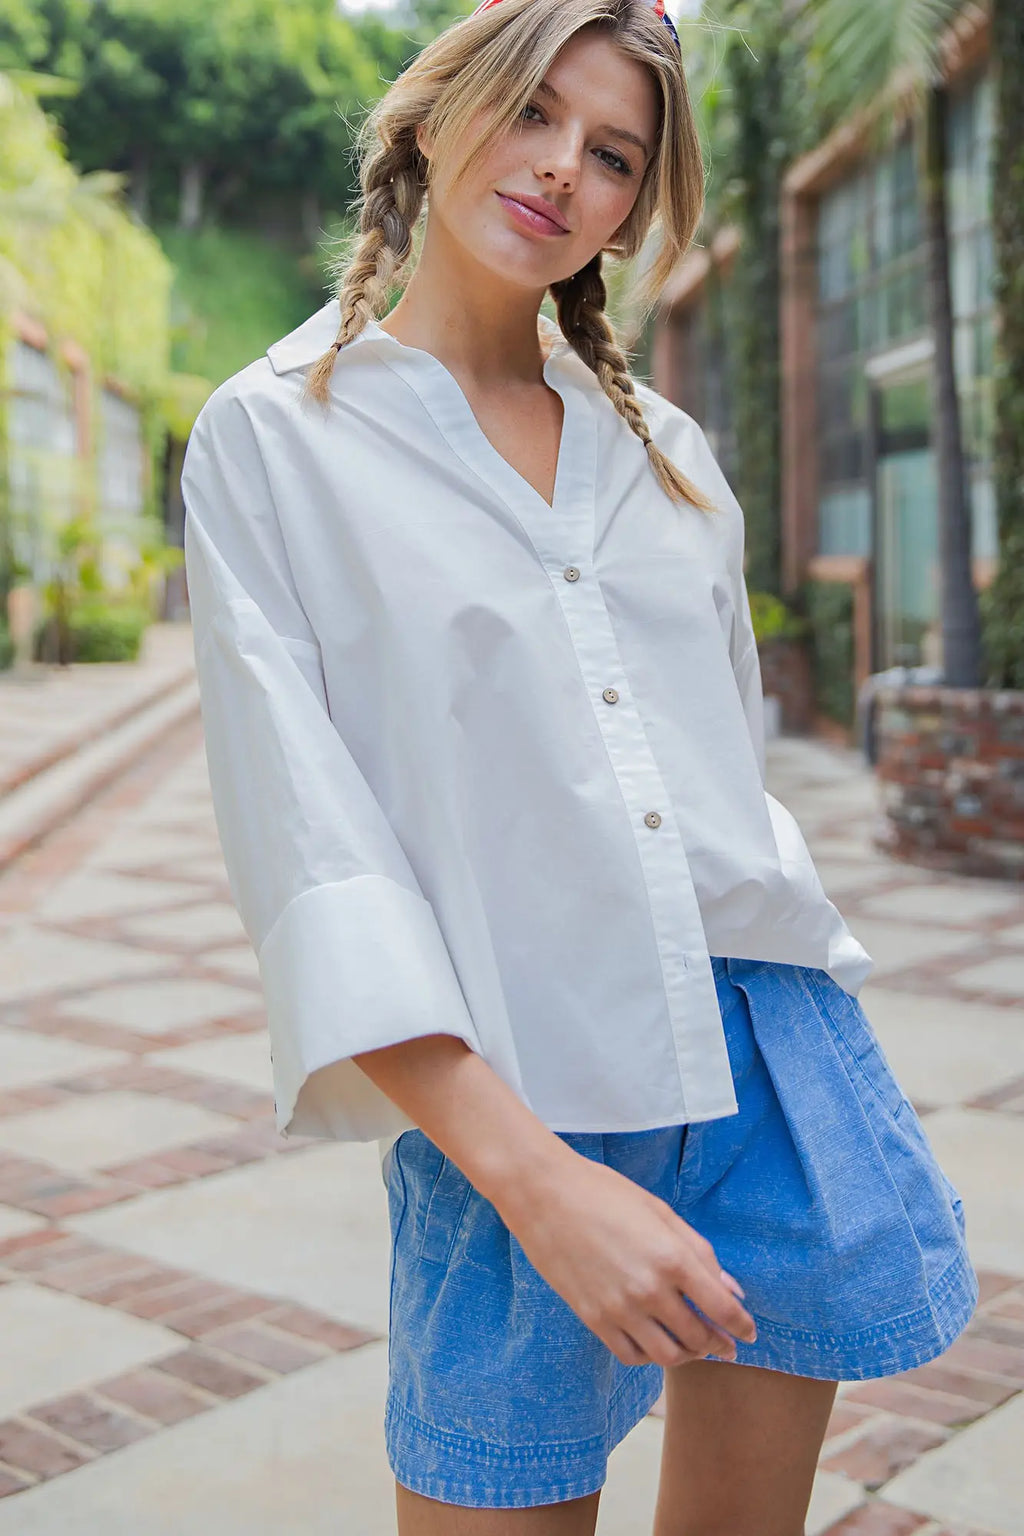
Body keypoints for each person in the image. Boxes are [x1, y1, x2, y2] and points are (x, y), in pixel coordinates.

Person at [179, 0, 978, 1529]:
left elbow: (716, 787)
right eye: (534, 112)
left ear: (631, 209)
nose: (562, 170)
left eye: (613, 153)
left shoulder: (665, 453)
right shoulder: (275, 439)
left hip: (764, 1048)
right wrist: (533, 1182)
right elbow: (317, 854)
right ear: (434, 111)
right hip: (514, 1097)